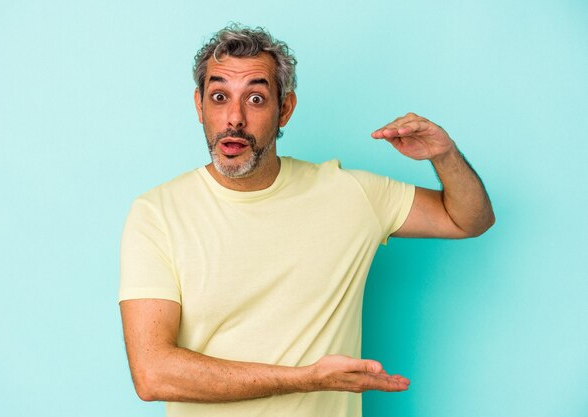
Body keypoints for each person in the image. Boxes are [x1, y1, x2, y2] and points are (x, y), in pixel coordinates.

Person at [118, 24, 494, 417]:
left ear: (285, 108)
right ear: (199, 106)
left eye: (257, 98)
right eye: (219, 97)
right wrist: (309, 378)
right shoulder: (157, 213)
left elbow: (468, 219)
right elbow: (153, 374)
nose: (234, 118)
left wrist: (445, 155)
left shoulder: (352, 196)